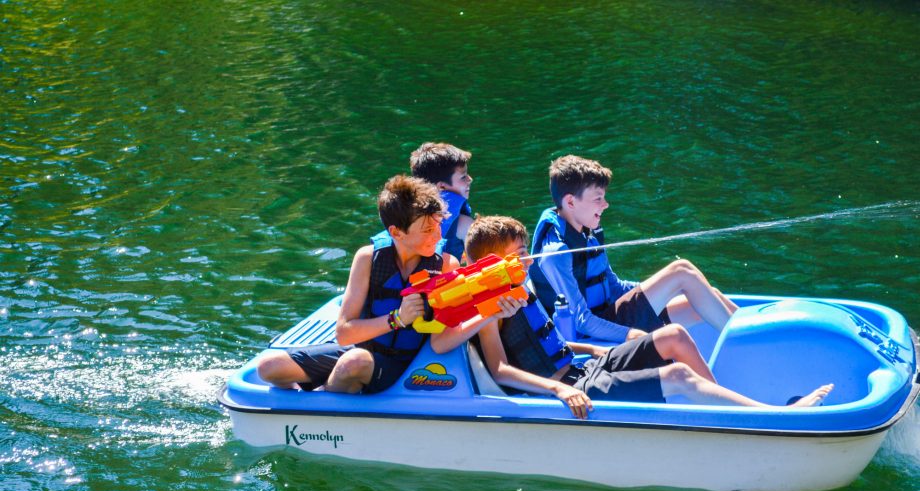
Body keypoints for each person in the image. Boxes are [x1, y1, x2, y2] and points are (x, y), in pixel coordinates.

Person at [430, 215, 833, 419]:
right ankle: (770, 418)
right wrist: (559, 391)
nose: (525, 260)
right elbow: (500, 369)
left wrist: (593, 347)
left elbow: (545, 341)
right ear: (491, 263)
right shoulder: (491, 308)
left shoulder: (521, 290)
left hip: (581, 365)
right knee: (678, 375)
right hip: (567, 386)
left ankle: (722, 413)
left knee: (673, 335)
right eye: (516, 255)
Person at [257, 175, 459, 393]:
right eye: (428, 230)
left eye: (438, 226)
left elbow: (446, 335)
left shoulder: (445, 266)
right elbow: (344, 334)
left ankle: (322, 407)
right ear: (396, 232)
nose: (438, 236)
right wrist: (398, 319)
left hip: (406, 368)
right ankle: (319, 402)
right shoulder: (368, 259)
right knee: (269, 367)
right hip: (361, 352)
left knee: (354, 362)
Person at [529, 155, 738, 344]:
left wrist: (665, 291)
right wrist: (629, 334)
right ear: (570, 202)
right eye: (598, 198)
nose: (606, 205)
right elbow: (581, 321)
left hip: (609, 314)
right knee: (682, 271)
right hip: (595, 333)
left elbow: (614, 287)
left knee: (706, 297)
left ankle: (754, 331)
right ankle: (744, 340)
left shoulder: (587, 232)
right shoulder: (556, 253)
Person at [410, 142, 474, 263]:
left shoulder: (408, 216)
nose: (470, 179)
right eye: (463, 177)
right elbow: (480, 261)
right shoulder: (464, 224)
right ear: (442, 187)